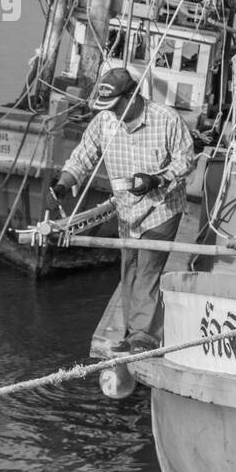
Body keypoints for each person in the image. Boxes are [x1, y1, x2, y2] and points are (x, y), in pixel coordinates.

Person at [50, 66, 195, 353]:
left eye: (116, 106)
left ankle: (143, 336)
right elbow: (83, 157)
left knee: (148, 268)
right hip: (128, 212)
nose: (113, 113)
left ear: (132, 96)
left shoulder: (166, 119)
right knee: (129, 269)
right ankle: (133, 332)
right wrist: (64, 183)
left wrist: (157, 179)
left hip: (162, 208)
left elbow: (185, 160)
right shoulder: (105, 121)